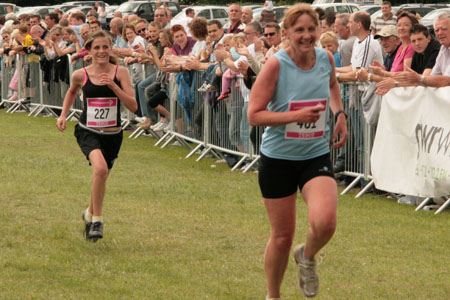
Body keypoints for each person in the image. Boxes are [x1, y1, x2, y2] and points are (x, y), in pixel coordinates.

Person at [247, 4, 347, 299]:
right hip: (278, 159)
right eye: (299, 30)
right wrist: (295, 116)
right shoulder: (276, 64)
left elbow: (332, 87)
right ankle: (273, 295)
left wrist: (340, 114)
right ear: (286, 33)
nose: (306, 35)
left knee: (325, 222)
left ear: (319, 30)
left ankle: (307, 256)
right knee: (282, 236)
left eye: (311, 29)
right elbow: (254, 115)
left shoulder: (325, 58)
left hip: (314, 155)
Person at [56, 30, 137, 241]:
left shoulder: (121, 73)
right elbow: (72, 91)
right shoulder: (80, 74)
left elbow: (133, 105)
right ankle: (97, 221)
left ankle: (89, 212)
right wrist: (63, 115)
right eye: (96, 48)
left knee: (102, 176)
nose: (101, 51)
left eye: (105, 47)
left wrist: (113, 86)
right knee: (100, 169)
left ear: (110, 49)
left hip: (113, 134)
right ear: (89, 51)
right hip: (88, 131)